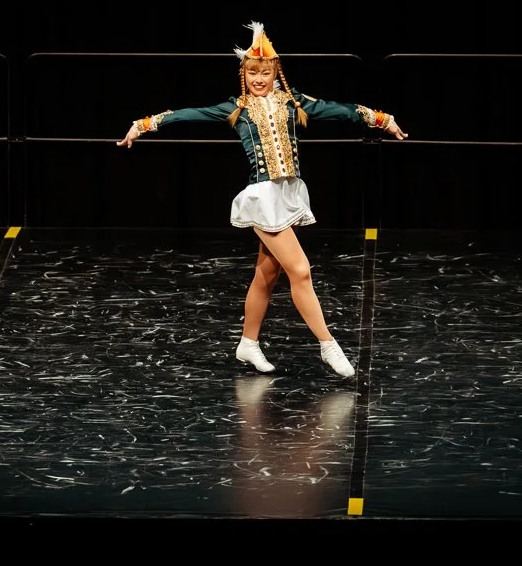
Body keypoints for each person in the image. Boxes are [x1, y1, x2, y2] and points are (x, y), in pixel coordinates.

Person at [117, 21, 408, 379]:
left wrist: (381, 119)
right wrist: (144, 125)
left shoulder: (292, 103)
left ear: (275, 73)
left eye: (264, 72)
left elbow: (339, 110)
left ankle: (248, 342)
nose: (258, 79)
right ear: (244, 74)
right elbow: (188, 114)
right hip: (263, 198)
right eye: (252, 72)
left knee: (266, 274)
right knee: (300, 270)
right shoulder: (237, 108)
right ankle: (328, 345)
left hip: (288, 195)